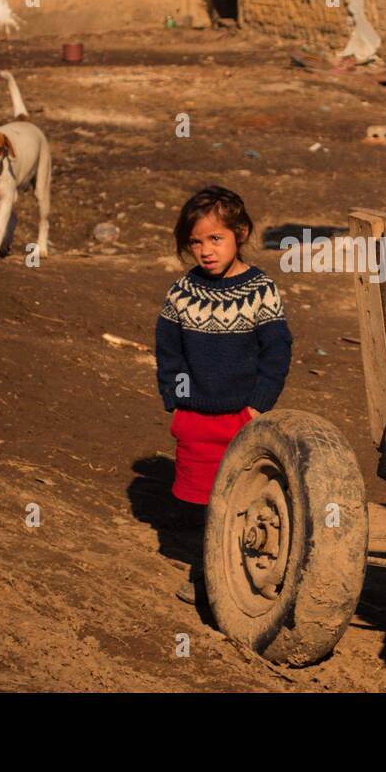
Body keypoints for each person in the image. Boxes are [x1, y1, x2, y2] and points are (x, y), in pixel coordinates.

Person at [155, 186, 292, 604]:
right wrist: (177, 399)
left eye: (216, 239)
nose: (206, 251)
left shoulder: (260, 289)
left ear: (241, 233)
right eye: (196, 241)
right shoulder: (183, 292)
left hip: (241, 419)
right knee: (204, 504)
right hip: (196, 419)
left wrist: (258, 404)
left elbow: (277, 350)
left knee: (240, 498)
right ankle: (208, 573)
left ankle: (232, 578)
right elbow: (168, 349)